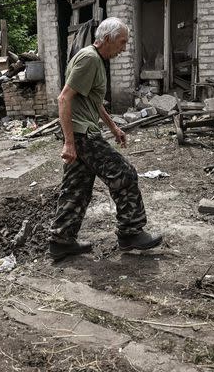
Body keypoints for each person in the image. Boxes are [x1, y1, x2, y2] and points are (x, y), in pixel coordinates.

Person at [49, 18, 162, 260]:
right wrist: (69, 142)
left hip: (83, 133)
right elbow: (63, 99)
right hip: (81, 134)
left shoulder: (95, 59)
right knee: (124, 174)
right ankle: (131, 232)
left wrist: (113, 127)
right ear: (108, 39)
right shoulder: (90, 59)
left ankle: (61, 240)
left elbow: (93, 100)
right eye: (122, 43)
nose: (123, 48)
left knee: (76, 189)